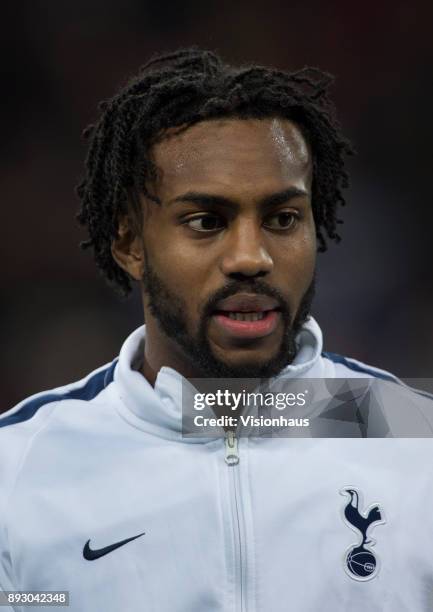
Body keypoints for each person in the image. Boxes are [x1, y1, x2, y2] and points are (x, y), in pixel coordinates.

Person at [1, 47, 432, 611]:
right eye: (206, 221)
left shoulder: (419, 440)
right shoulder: (17, 471)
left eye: (282, 219)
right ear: (131, 244)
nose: (251, 257)